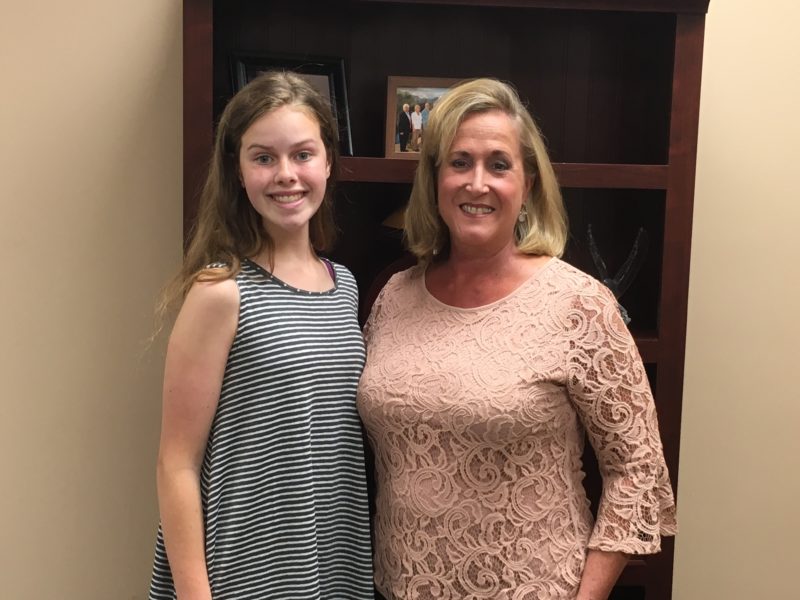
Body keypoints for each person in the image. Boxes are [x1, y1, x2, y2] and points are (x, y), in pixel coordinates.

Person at [357, 78, 676, 600]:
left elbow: (638, 471)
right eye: (459, 162)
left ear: (528, 184)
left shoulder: (580, 304)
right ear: (435, 179)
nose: (476, 183)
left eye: (498, 165)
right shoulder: (394, 296)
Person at [148, 71, 374, 600]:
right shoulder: (221, 292)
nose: (286, 175)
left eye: (302, 154)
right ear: (239, 171)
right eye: (263, 157)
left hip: (333, 562)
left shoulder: (346, 289)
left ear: (328, 162)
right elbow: (175, 463)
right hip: (244, 569)